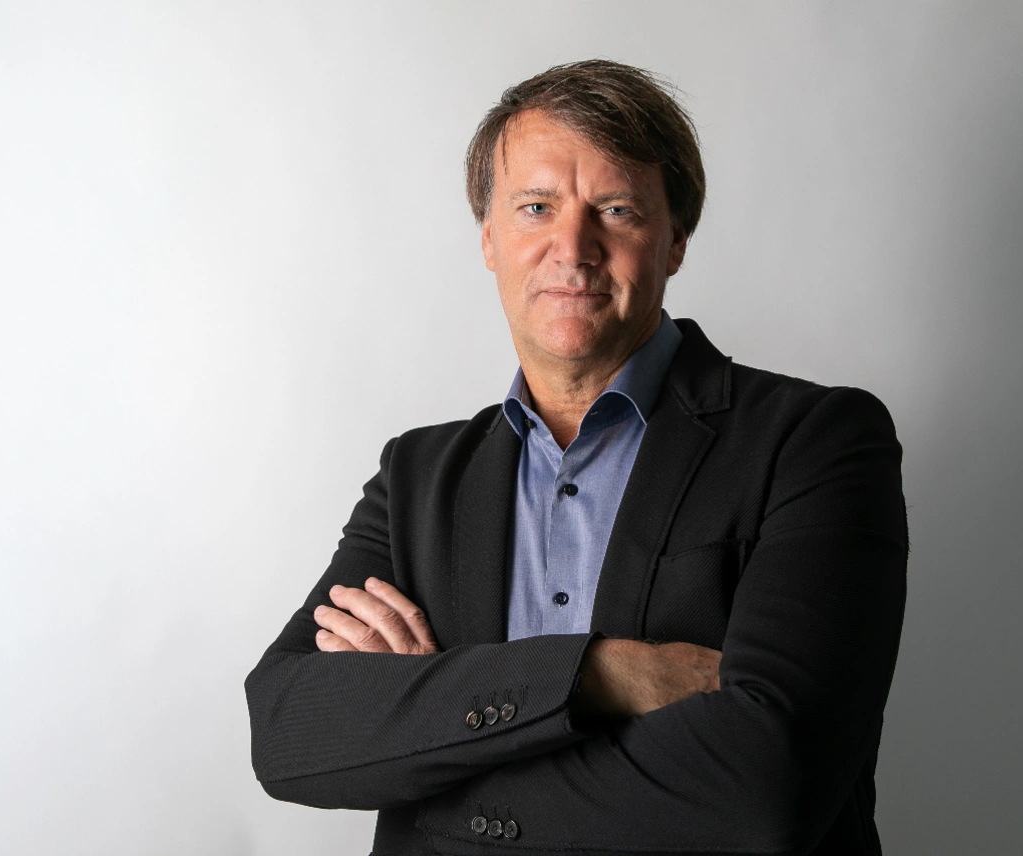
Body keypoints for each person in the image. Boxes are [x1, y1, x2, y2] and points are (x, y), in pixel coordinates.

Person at [245, 59, 907, 855]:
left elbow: (769, 786)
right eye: (536, 207)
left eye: (616, 210)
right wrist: (601, 674)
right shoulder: (416, 478)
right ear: (489, 239)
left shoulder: (816, 441)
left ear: (675, 240)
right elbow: (286, 733)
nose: (573, 248)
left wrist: (431, 741)